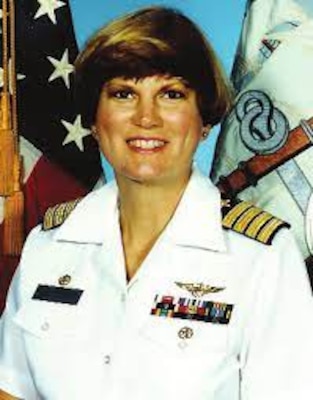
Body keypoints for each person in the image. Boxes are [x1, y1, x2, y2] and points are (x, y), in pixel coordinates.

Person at [0, 6, 312, 400]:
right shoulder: (48, 244)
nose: (146, 118)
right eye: (123, 93)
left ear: (205, 121)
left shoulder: (261, 257)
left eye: (171, 94)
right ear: (95, 120)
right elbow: (11, 388)